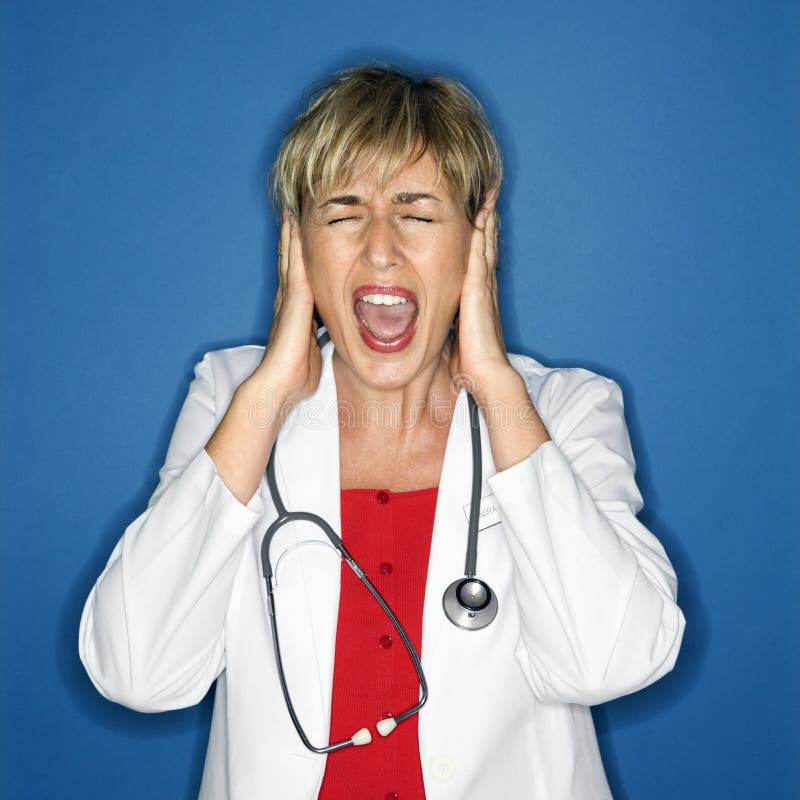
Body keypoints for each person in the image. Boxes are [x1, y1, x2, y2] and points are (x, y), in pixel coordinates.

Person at [79, 63, 686, 800]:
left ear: (477, 233)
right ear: (297, 241)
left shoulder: (563, 409)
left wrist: (497, 387)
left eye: (418, 212)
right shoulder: (233, 398)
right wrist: (270, 393)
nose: (379, 249)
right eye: (340, 212)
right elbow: (137, 672)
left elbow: (608, 662)